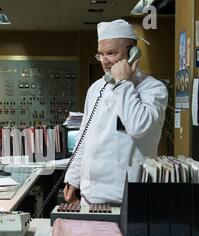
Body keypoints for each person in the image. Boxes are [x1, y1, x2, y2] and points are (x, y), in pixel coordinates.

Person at [64, 19, 168, 205]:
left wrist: (123, 83)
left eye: (111, 53)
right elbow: (84, 136)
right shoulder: (96, 88)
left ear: (132, 53)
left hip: (127, 199)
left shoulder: (153, 89)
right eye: (100, 54)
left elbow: (138, 126)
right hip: (90, 197)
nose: (104, 61)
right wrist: (73, 178)